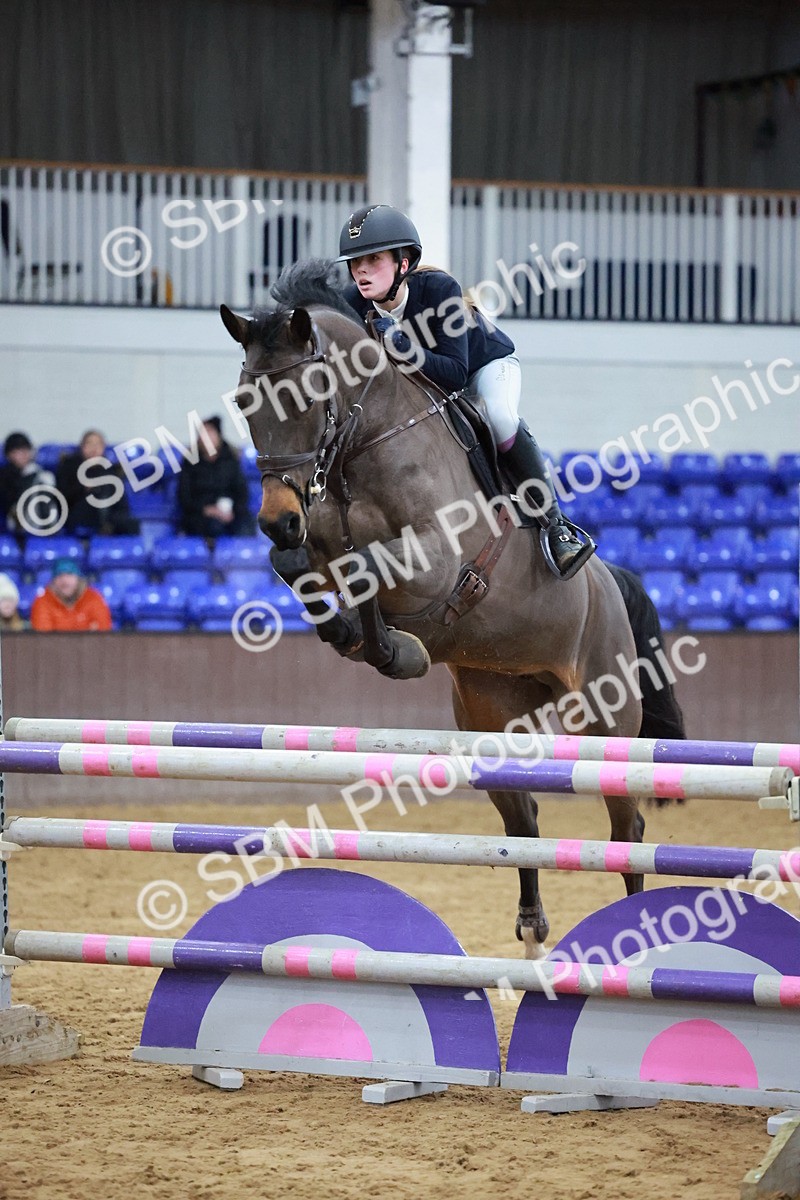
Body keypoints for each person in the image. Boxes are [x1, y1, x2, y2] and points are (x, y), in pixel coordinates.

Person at [336, 204, 595, 579]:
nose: (360, 269)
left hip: (484, 368)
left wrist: (399, 343)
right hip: (426, 382)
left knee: (500, 417)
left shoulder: (440, 290)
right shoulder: (352, 305)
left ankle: (556, 528)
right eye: (355, 261)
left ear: (403, 264)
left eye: (373, 259)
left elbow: (455, 375)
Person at [176, 416, 253, 539]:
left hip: (230, 514)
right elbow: (184, 497)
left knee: (246, 527)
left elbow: (241, 492)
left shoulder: (230, 459)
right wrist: (208, 510)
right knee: (213, 527)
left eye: (210, 434)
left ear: (218, 436)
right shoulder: (190, 461)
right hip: (201, 514)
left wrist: (233, 512)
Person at [55, 430, 140, 535]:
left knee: (130, 523)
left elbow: (122, 506)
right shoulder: (68, 467)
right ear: (82, 447)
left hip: (108, 517)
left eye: (98, 444)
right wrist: (83, 488)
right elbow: (61, 498)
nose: (94, 448)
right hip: (78, 513)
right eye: (89, 444)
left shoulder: (111, 471)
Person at [30, 557, 112, 632]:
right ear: (53, 581)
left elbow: (102, 636)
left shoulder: (93, 598)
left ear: (78, 578)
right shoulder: (42, 601)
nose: (65, 581)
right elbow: (43, 640)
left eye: (70, 575)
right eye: (59, 576)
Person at [0, 432, 57, 534]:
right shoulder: (4, 475)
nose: (24, 454)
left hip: (42, 517)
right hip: (15, 519)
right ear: (9, 455)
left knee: (44, 480)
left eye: (26, 450)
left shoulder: (40, 472)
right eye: (18, 451)